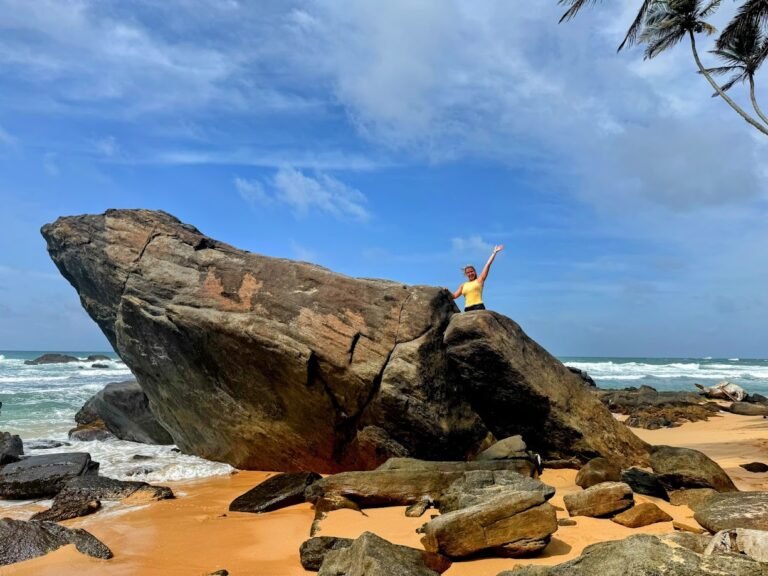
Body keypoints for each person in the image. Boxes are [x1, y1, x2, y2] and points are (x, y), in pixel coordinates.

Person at [453, 245, 504, 311]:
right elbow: (454, 296)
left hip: (478, 306)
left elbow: (488, 264)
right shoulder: (463, 285)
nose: (470, 273)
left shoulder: (480, 280)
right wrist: (446, 290)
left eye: (471, 271)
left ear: (475, 272)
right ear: (466, 274)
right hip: (467, 308)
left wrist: (494, 253)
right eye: (468, 272)